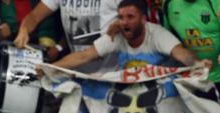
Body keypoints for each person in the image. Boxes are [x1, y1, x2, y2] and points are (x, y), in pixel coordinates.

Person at [52, 0, 200, 74]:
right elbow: (83, 56)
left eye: (130, 17)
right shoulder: (116, 35)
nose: (124, 22)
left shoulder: (157, 33)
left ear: (143, 19)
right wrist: (50, 68)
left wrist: (197, 64)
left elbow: (180, 53)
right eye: (121, 17)